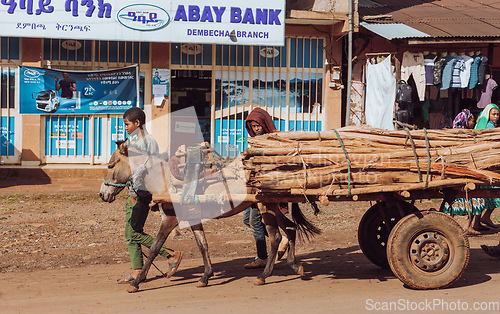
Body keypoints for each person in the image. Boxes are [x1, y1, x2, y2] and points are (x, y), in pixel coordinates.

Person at [118, 107, 183, 283]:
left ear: (137, 123)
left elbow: (147, 169)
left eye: (127, 124)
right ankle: (137, 270)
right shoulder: (133, 141)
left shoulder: (149, 142)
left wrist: (135, 186)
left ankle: (170, 254)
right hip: (133, 191)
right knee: (130, 232)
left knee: (133, 232)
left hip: (142, 193)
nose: (125, 127)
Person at [243, 107, 289, 269]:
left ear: (264, 124)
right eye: (253, 126)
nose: (256, 129)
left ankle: (262, 256)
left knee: (255, 221)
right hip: (254, 187)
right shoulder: (253, 141)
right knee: (246, 219)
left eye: (258, 125)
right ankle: (281, 238)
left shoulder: (272, 140)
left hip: (266, 188)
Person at [444, 109, 486, 234]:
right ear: (466, 120)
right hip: (462, 172)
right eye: (471, 120)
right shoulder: (461, 135)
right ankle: (458, 226)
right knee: (461, 199)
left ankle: (465, 226)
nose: (473, 122)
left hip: (463, 172)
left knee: (468, 200)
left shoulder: (464, 134)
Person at [475, 103, 500, 229]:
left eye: (497, 114)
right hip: (490, 163)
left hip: (481, 163)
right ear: (488, 113)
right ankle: (485, 217)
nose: (496, 116)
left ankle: (477, 222)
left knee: (481, 194)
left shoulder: (481, 124)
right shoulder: (490, 126)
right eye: (493, 114)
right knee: (493, 193)